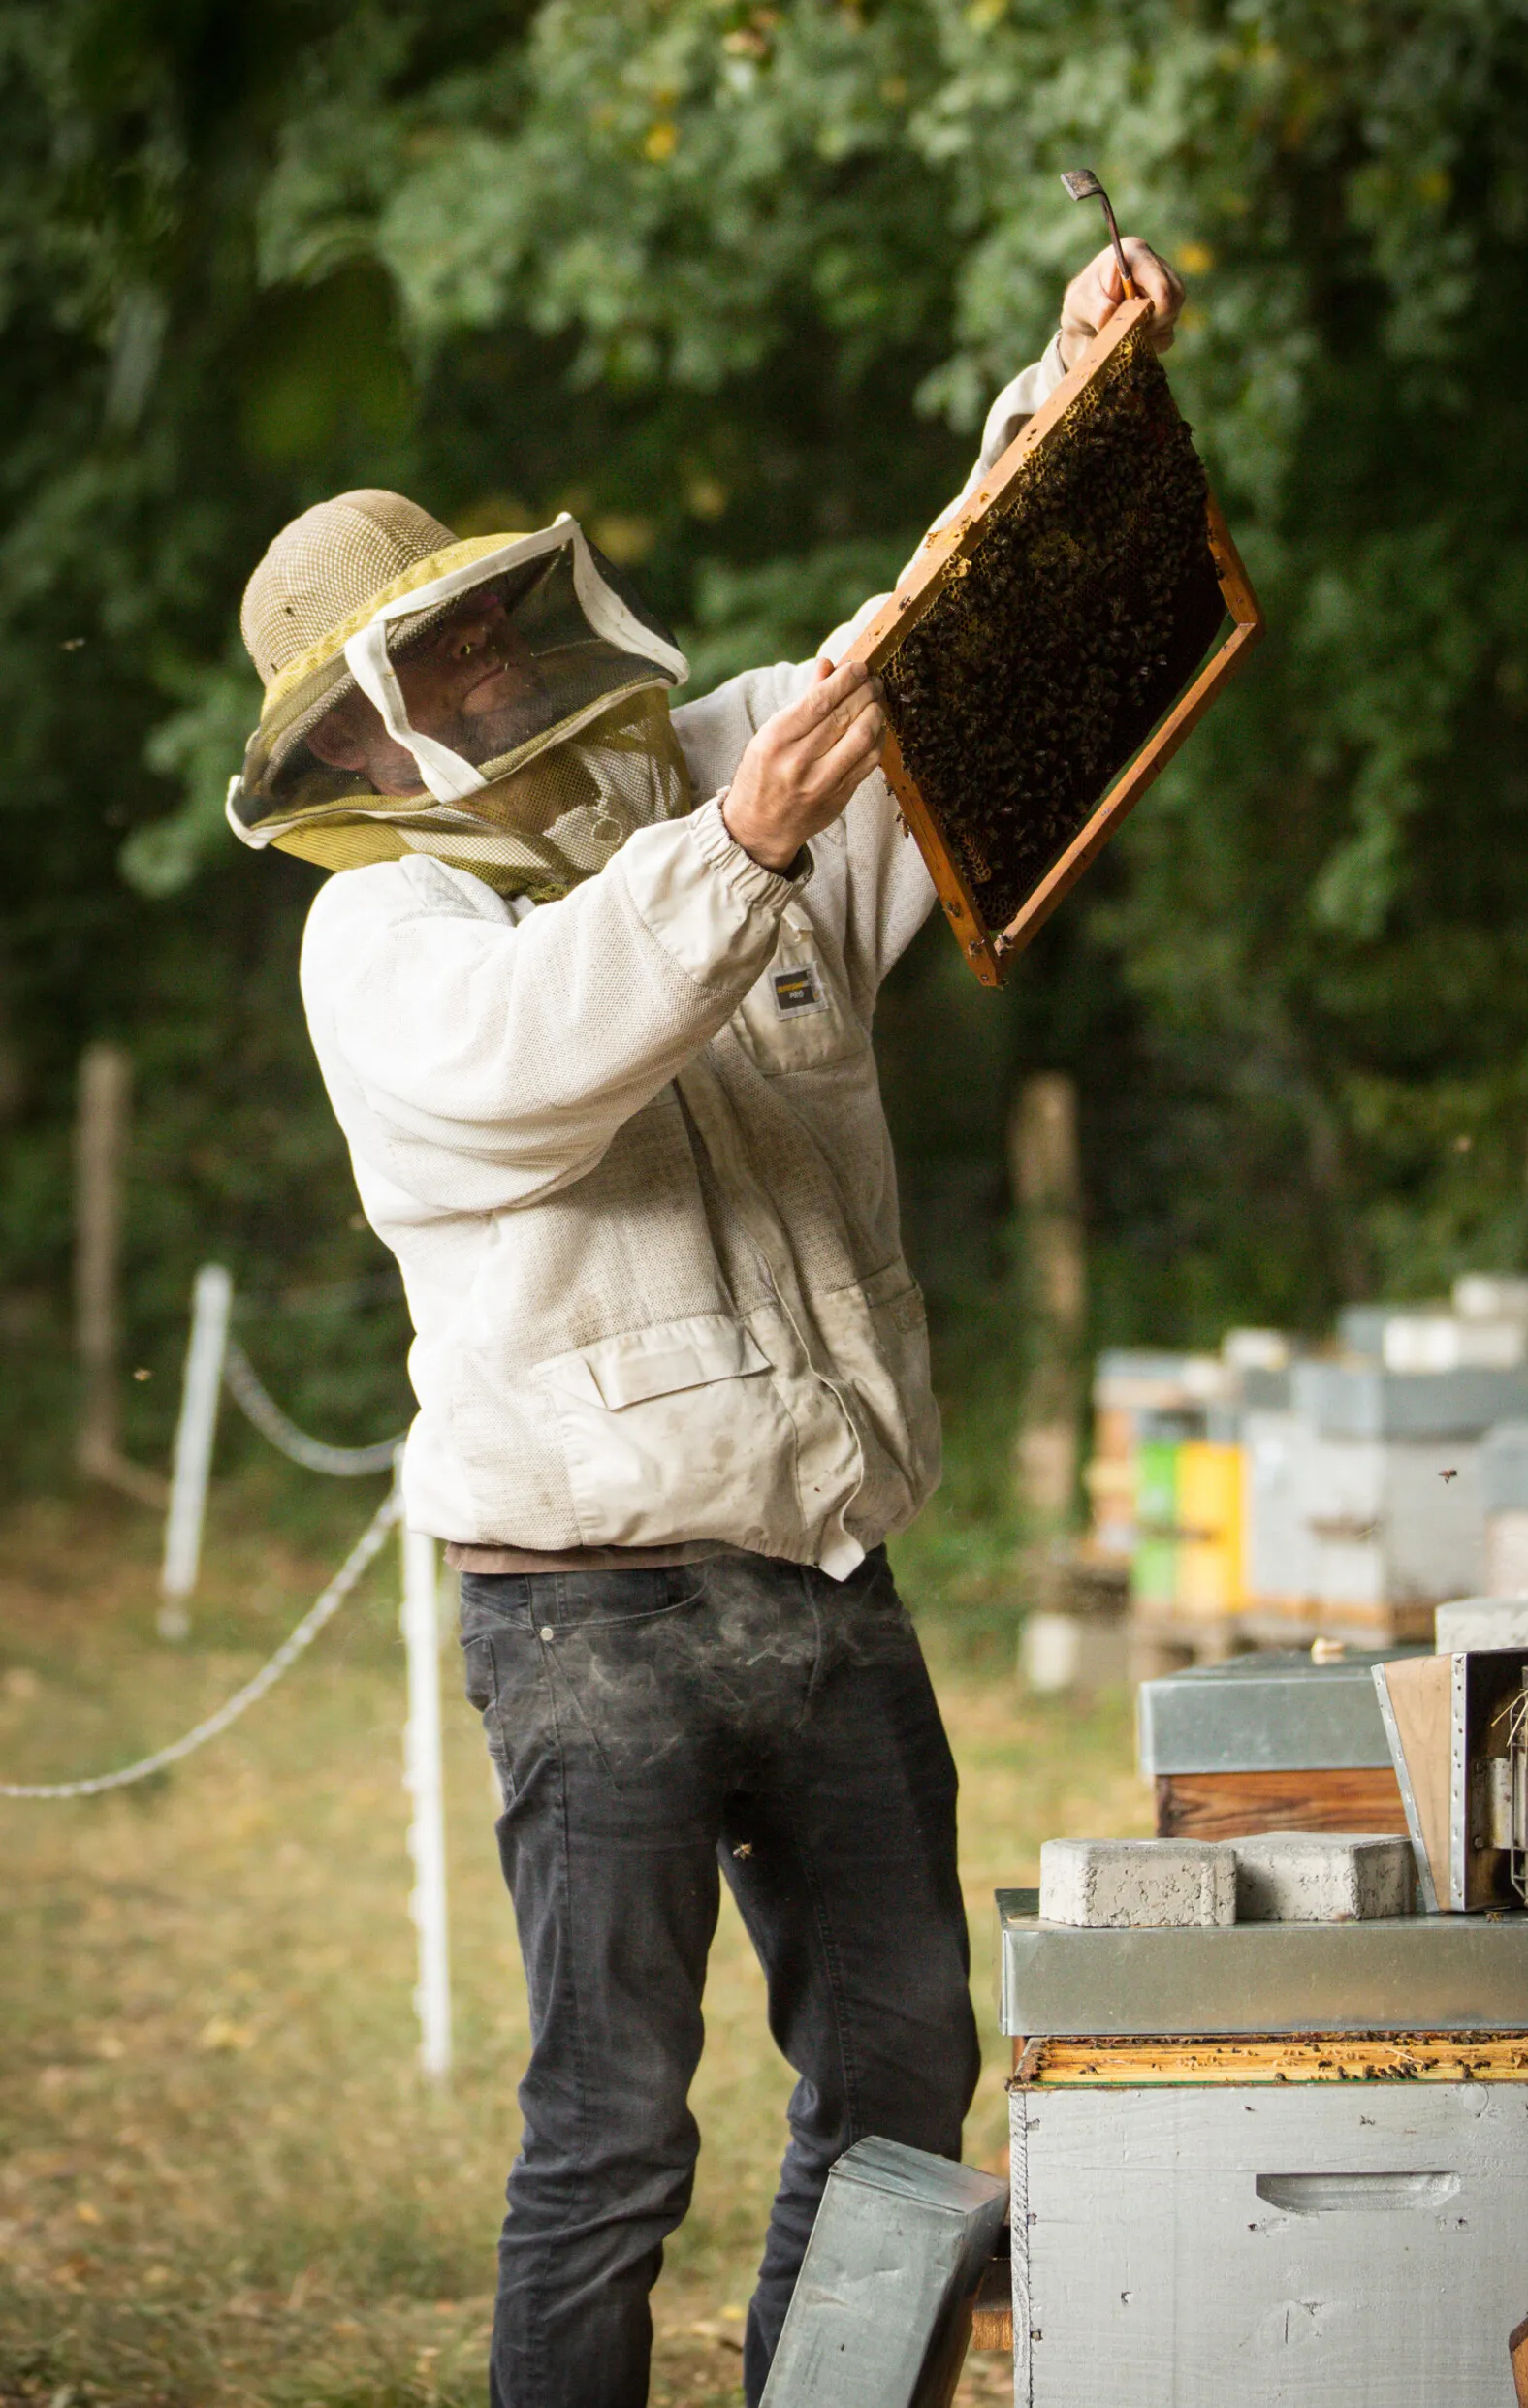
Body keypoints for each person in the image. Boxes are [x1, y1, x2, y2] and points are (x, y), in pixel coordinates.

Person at [231, 236, 1184, 2408]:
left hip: (827, 1567)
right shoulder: (384, 939)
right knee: (611, 2132)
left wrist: (1058, 406)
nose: (485, 667)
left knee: (903, 2068)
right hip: (587, 1616)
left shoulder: (713, 766)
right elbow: (547, 1048)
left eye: (490, 619)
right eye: (437, 653)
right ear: (356, 722)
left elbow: (917, 652)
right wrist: (738, 841)